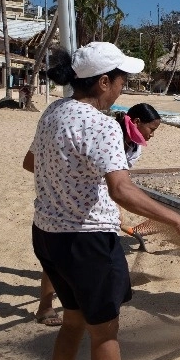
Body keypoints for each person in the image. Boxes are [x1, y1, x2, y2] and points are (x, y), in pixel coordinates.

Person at [23, 42, 180, 360]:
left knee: (72, 322)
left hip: (48, 235)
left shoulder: (54, 112)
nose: (124, 86)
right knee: (105, 332)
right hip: (88, 243)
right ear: (104, 81)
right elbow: (122, 190)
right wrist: (179, 221)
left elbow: (30, 162)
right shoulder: (102, 124)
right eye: (123, 78)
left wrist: (67, 182)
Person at [34, 102, 163, 327]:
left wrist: (116, 208)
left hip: (98, 209)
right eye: (151, 129)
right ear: (137, 122)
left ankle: (79, 312)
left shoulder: (134, 147)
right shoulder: (105, 130)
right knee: (56, 263)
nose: (152, 135)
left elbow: (117, 180)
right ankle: (45, 307)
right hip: (72, 207)